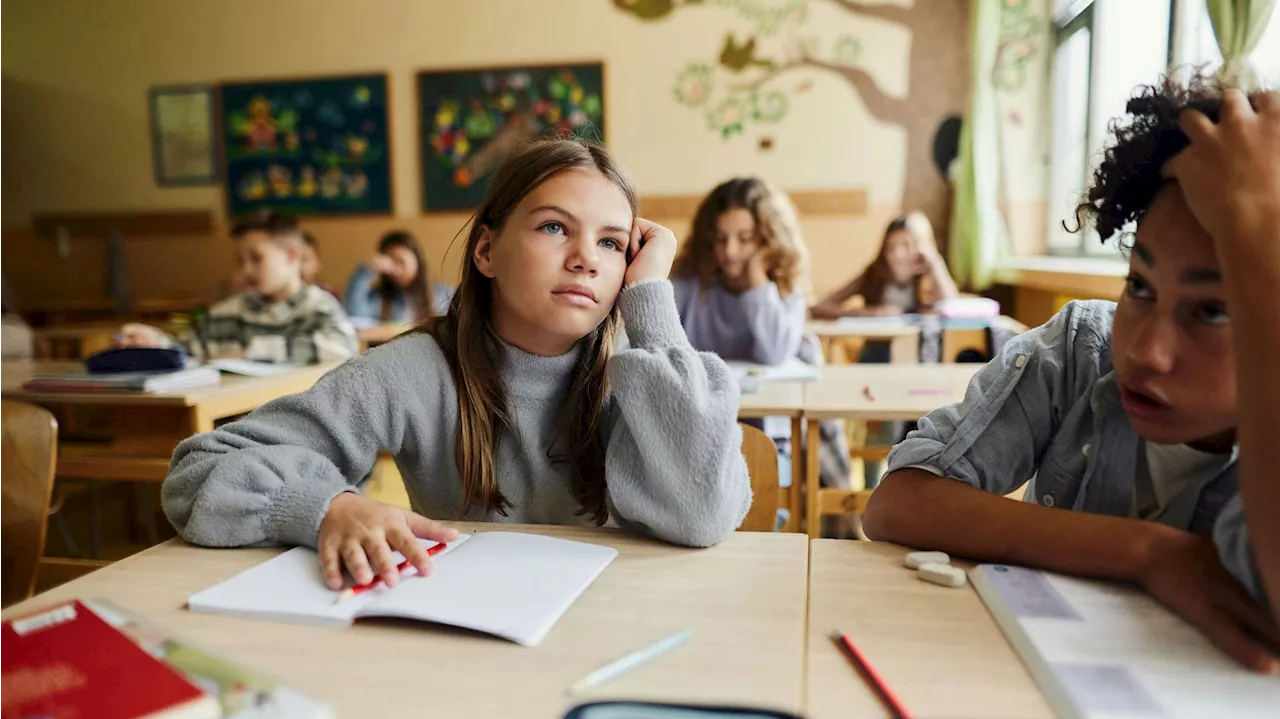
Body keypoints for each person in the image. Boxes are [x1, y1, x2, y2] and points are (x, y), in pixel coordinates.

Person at [161, 138, 752, 591]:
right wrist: (327, 507)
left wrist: (649, 300)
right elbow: (197, 473)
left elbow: (702, 517)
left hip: (620, 617)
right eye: (554, 227)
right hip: (466, 628)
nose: (585, 260)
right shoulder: (416, 369)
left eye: (611, 243)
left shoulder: (639, 374)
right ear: (487, 250)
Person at [864, 74, 1280, 672]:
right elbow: (898, 503)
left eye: (1214, 309)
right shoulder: (1083, 351)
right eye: (1140, 285)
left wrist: (1254, 236)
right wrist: (1149, 553)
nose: (1147, 351)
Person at [670, 177, 849, 530]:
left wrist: (756, 280)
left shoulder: (782, 282)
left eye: (745, 239)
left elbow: (775, 353)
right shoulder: (689, 280)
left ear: (767, 240)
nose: (730, 251)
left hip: (769, 411)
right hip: (706, 407)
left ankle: (787, 514)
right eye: (720, 238)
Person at [117, 211, 358, 364]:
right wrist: (156, 341)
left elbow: (343, 349)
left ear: (293, 256)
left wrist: (252, 352)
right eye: (240, 261)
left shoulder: (317, 306)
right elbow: (189, 349)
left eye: (256, 259)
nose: (246, 271)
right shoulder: (230, 310)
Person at [810, 212, 959, 322]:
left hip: (918, 351)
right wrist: (870, 313)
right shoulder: (874, 274)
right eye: (891, 247)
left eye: (906, 245)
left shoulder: (929, 275)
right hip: (877, 350)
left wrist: (935, 265)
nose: (897, 254)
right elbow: (818, 307)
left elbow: (952, 308)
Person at [344, 231, 453, 325]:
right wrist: (367, 270)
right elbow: (355, 316)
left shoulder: (443, 294)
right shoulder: (380, 297)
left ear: (417, 261)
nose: (395, 270)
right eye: (390, 263)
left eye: (400, 262)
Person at [299, 231, 339, 298]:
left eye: (304, 259)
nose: (298, 265)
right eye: (293, 260)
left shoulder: (327, 294)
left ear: (317, 264)